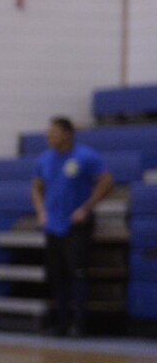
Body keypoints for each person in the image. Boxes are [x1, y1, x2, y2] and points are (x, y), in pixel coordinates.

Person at [33, 116, 113, 337]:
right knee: (57, 275)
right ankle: (61, 322)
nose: (49, 137)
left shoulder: (86, 157)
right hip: (53, 225)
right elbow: (37, 187)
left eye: (54, 133)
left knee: (77, 273)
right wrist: (41, 212)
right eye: (48, 134)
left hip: (76, 224)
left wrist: (87, 208)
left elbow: (106, 182)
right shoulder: (44, 160)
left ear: (67, 134)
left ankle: (79, 324)